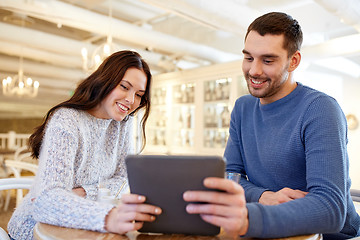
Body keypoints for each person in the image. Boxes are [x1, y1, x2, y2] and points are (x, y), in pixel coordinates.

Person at [183, 12, 360, 239]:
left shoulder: (321, 109)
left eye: (267, 60)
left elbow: (330, 208)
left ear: (293, 61)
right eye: (248, 58)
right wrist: (263, 196)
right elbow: (228, 175)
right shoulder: (243, 108)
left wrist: (250, 217)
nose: (254, 71)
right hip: (267, 231)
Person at [7, 50, 162, 240]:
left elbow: (122, 179)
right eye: (124, 87)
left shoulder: (123, 124)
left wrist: (85, 192)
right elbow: (47, 200)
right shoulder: (67, 119)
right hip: (36, 226)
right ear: (105, 81)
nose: (131, 100)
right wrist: (108, 217)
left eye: (139, 94)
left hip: (88, 221)